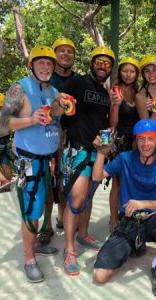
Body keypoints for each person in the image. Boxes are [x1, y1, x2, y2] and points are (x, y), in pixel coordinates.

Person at [1, 45, 69, 283]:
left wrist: (63, 106)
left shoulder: (53, 90)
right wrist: (31, 119)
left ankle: (36, 246)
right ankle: (29, 259)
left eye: (49, 63)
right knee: (31, 210)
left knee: (43, 203)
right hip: (28, 159)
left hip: (47, 158)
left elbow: (56, 121)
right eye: (40, 63)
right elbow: (5, 121)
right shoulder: (20, 88)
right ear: (31, 65)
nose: (45, 66)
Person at [92, 119, 156, 298]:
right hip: (129, 221)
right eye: (141, 139)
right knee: (99, 276)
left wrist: (142, 203)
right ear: (136, 140)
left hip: (152, 219)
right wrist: (101, 153)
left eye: (150, 139)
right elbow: (97, 176)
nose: (145, 144)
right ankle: (134, 245)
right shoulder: (125, 159)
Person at [59, 45, 115, 276]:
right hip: (78, 149)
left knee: (89, 196)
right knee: (77, 199)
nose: (103, 66)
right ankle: (69, 248)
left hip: (95, 151)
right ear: (91, 63)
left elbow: (104, 121)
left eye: (108, 63)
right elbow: (62, 105)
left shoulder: (104, 93)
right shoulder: (77, 82)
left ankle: (83, 234)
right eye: (99, 62)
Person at [36, 37, 81, 246]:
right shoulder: (45, 79)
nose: (66, 54)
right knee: (47, 182)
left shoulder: (79, 80)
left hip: (70, 138)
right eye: (61, 51)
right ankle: (46, 225)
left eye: (69, 51)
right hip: (46, 137)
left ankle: (62, 218)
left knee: (65, 181)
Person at [108, 56, 140, 232]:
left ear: (137, 73)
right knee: (118, 183)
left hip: (137, 142)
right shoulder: (116, 90)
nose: (128, 74)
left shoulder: (139, 91)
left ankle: (128, 215)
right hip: (121, 141)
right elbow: (112, 123)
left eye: (132, 71)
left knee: (133, 181)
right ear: (120, 72)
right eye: (125, 70)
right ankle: (114, 220)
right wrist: (115, 105)